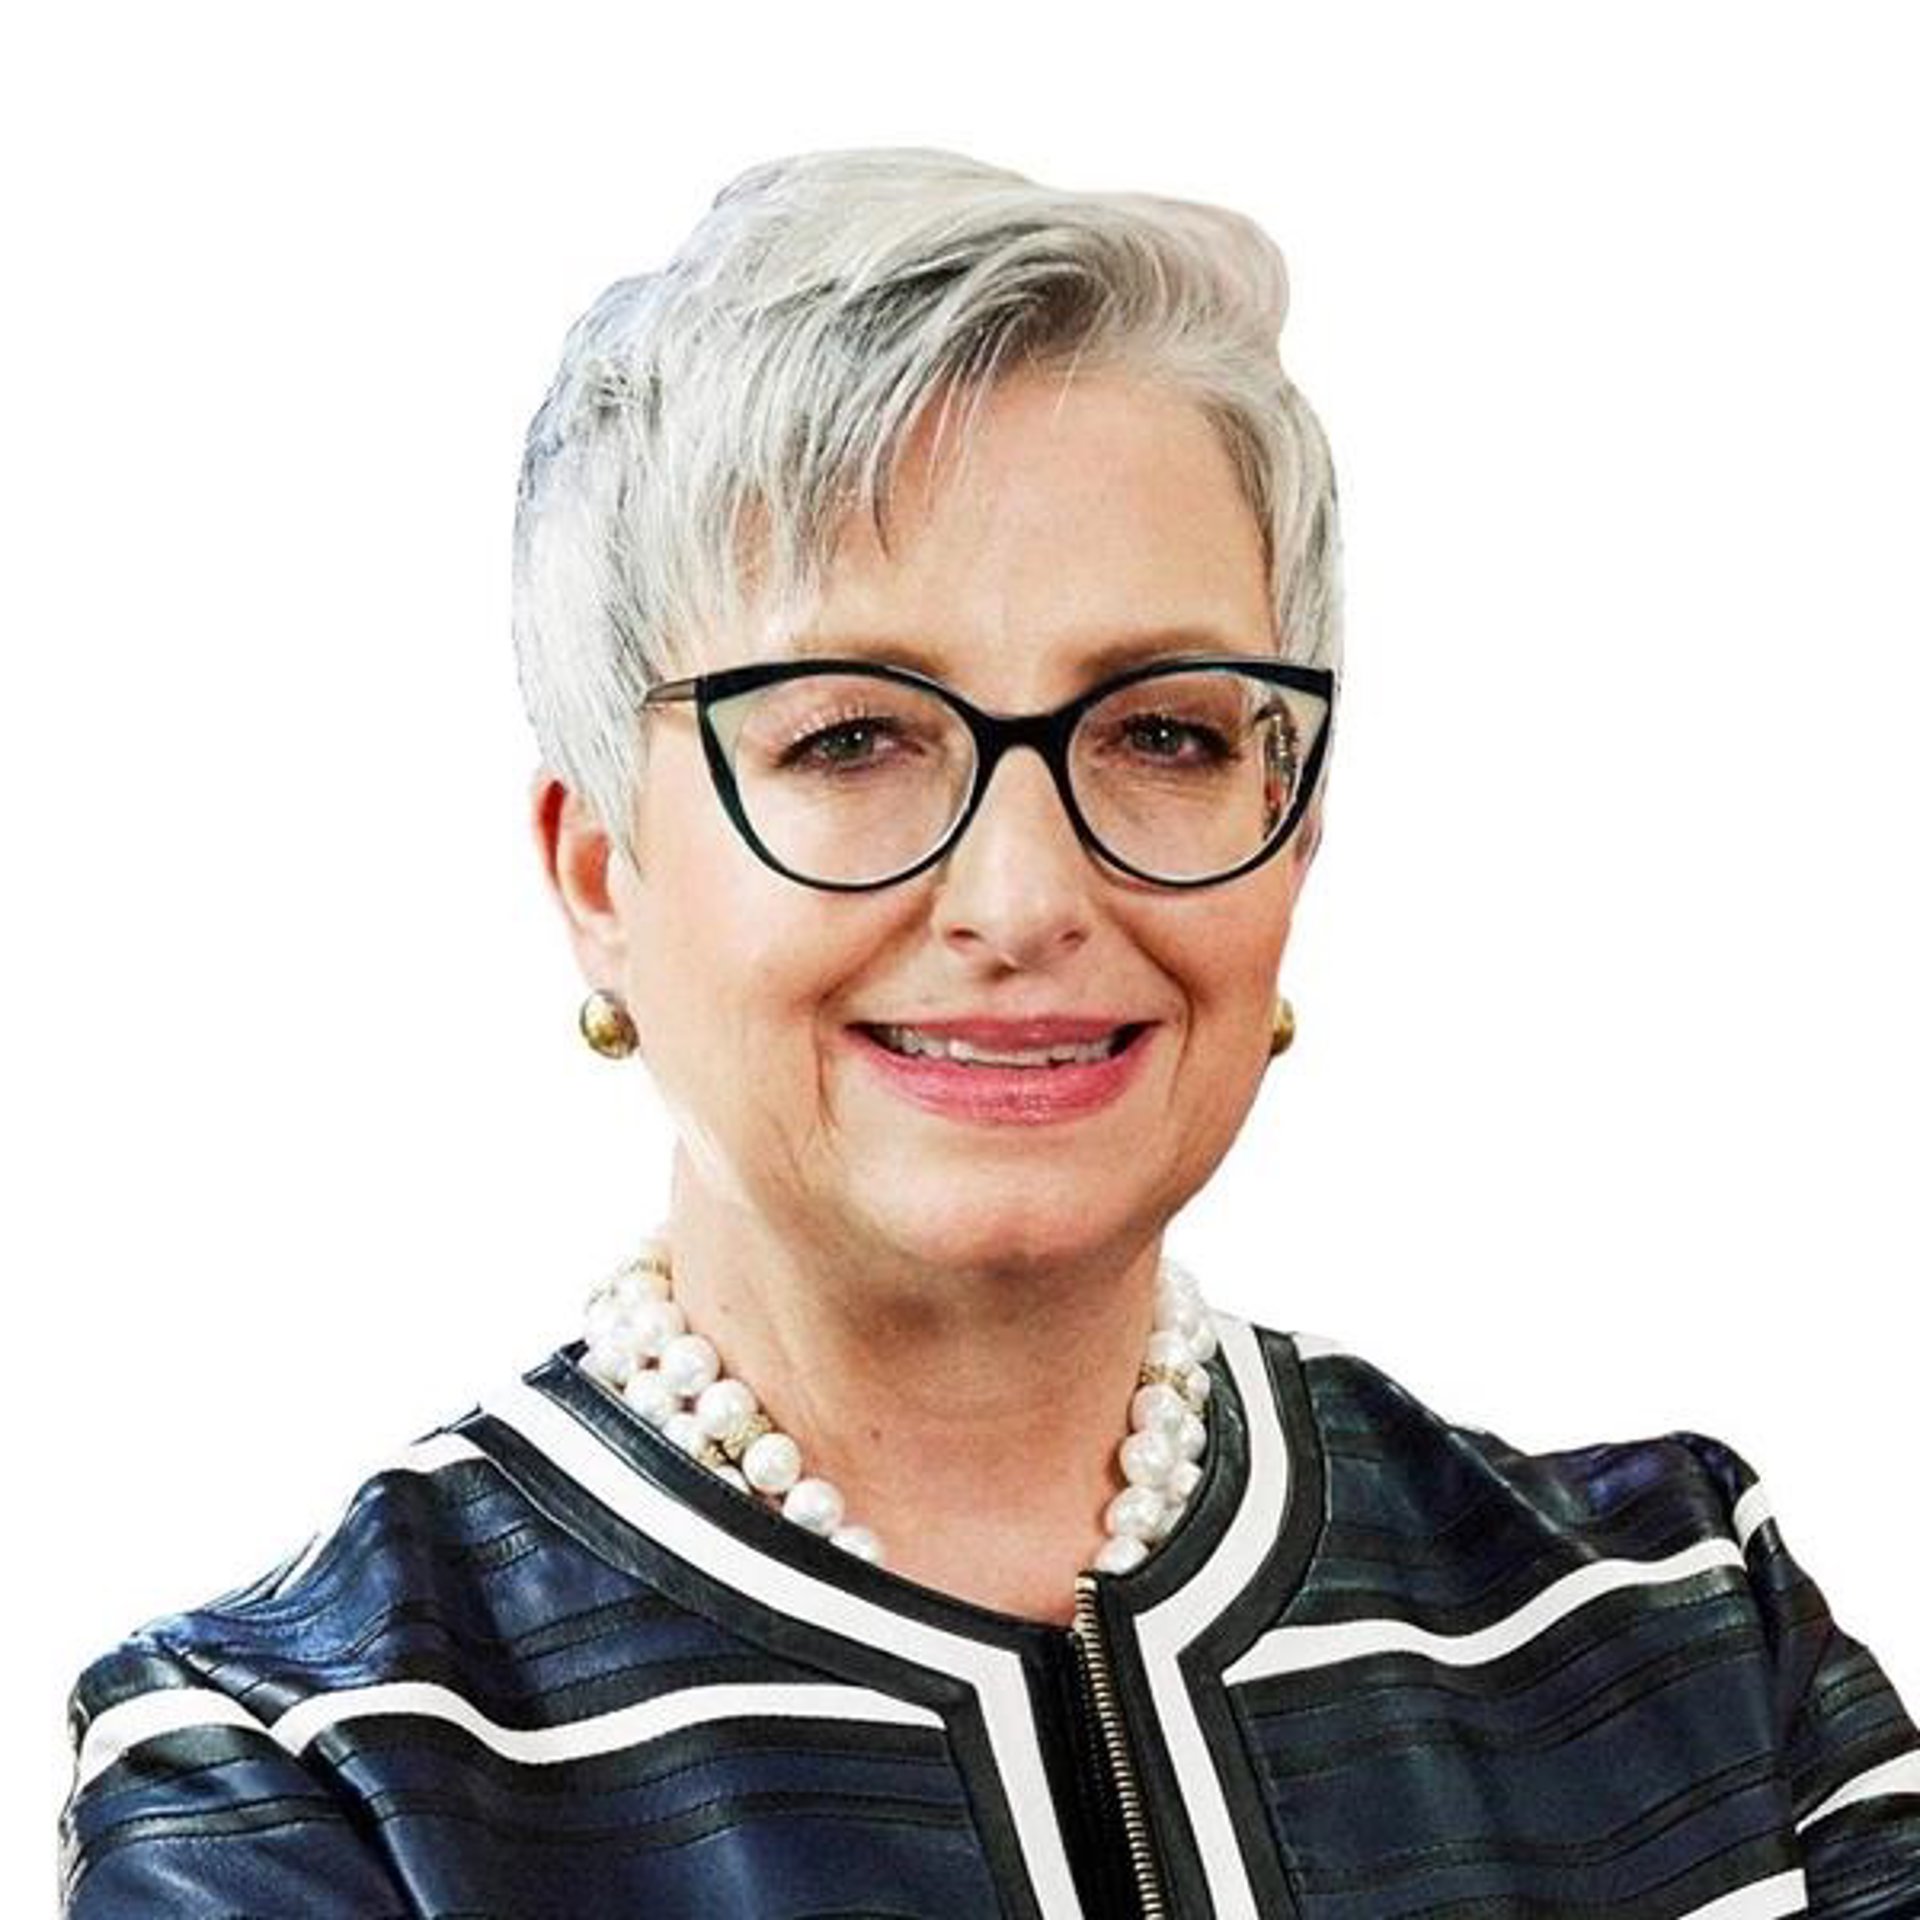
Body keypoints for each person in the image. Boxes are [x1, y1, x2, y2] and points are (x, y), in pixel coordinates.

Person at [60, 148, 1918, 1919]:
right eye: (850, 735)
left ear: (1297, 824)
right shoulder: (312, 1775)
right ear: (601, 872)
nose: (1023, 898)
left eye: (1166, 732)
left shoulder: (1681, 1633)